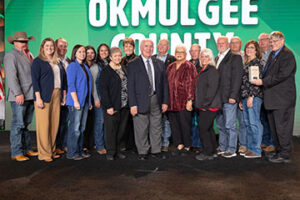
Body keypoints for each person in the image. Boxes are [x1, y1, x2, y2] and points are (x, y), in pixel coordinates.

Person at [252, 31, 296, 163]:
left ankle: (285, 154)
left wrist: (263, 82)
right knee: (275, 128)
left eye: (275, 41)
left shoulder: (287, 55)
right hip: (272, 99)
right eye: (271, 42)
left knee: (283, 128)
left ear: (282, 41)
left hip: (282, 99)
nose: (273, 44)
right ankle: (278, 151)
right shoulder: (272, 54)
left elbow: (282, 75)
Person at [128, 39, 169, 160]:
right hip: (140, 101)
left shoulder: (159, 63)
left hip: (157, 99)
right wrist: (133, 104)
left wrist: (165, 101)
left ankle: (156, 150)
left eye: (151, 46)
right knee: (141, 128)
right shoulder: (133, 64)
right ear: (141, 48)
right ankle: (143, 151)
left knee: (157, 126)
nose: (149, 48)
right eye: (146, 46)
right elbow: (130, 86)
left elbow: (164, 84)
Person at [4, 31, 38, 161]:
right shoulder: (10, 56)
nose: (25, 43)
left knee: (26, 123)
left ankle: (27, 149)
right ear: (15, 42)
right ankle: (16, 151)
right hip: (20, 95)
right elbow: (12, 77)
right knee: (18, 124)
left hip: (29, 94)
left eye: (26, 41)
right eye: (22, 41)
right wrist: (18, 93)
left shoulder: (28, 54)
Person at [31, 38, 67, 162]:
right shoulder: (38, 61)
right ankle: (44, 154)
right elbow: (35, 81)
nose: (50, 48)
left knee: (54, 124)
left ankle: (52, 151)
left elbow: (63, 80)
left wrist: (63, 95)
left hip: (57, 94)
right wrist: (38, 98)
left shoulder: (58, 62)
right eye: (47, 46)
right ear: (42, 47)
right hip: (44, 95)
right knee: (44, 125)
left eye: (51, 46)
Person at [98, 47, 129, 160]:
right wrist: (108, 106)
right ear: (110, 57)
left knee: (121, 129)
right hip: (112, 105)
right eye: (115, 56)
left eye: (119, 56)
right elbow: (103, 90)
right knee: (111, 130)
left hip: (124, 105)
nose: (117, 58)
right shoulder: (106, 71)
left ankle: (118, 150)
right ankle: (110, 152)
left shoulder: (124, 68)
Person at [215, 36, 243, 158]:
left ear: (228, 44)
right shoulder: (216, 58)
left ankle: (231, 149)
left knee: (230, 124)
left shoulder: (235, 57)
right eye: (219, 43)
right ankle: (222, 146)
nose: (220, 45)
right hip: (217, 99)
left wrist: (233, 95)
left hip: (229, 98)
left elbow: (237, 78)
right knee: (221, 124)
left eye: (223, 43)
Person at [167, 44, 197, 155]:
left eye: (181, 52)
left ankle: (187, 145)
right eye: (177, 52)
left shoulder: (189, 66)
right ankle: (179, 143)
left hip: (184, 101)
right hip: (171, 102)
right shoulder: (170, 67)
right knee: (174, 124)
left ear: (185, 54)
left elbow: (191, 84)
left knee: (185, 124)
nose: (179, 54)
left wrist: (190, 100)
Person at [66, 45, 92, 160]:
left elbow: (88, 86)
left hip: (85, 102)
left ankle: (80, 150)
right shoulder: (72, 66)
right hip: (75, 102)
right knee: (75, 129)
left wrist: (89, 102)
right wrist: (75, 101)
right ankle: (72, 152)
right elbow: (71, 85)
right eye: (80, 52)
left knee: (82, 128)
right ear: (75, 53)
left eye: (83, 52)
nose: (82, 53)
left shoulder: (85, 66)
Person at [194, 48, 221, 161]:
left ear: (210, 58)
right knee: (209, 128)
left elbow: (212, 90)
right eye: (202, 56)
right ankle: (213, 151)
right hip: (205, 105)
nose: (204, 59)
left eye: (206, 56)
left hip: (210, 105)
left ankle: (207, 153)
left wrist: (205, 104)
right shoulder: (202, 69)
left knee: (203, 128)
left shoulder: (212, 71)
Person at [239, 40, 263, 158]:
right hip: (245, 97)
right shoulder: (246, 63)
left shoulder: (255, 63)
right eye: (247, 48)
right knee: (248, 123)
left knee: (254, 123)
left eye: (252, 48)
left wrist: (251, 97)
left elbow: (255, 82)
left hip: (253, 97)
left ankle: (256, 150)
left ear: (256, 50)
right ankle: (250, 148)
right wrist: (241, 99)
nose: (249, 49)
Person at [152, 39, 176, 152]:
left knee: (166, 120)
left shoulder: (173, 59)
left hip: (167, 93)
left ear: (168, 47)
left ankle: (165, 143)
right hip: (153, 94)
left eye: (164, 45)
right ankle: (155, 142)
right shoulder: (151, 58)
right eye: (160, 44)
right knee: (154, 120)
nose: (161, 46)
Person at [229, 36, 247, 155]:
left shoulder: (246, 57)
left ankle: (243, 145)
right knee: (229, 122)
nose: (234, 45)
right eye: (232, 43)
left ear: (241, 44)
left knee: (243, 121)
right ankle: (231, 145)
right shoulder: (226, 57)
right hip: (229, 95)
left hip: (243, 95)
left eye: (237, 43)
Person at [87, 45, 106, 155]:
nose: (104, 52)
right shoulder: (95, 67)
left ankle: (100, 143)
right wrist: (96, 99)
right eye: (101, 51)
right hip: (98, 98)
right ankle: (99, 145)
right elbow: (93, 84)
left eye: (106, 50)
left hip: (105, 98)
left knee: (102, 122)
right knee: (100, 122)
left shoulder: (105, 63)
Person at [120, 37, 138, 152]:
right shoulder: (120, 60)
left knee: (136, 122)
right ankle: (128, 145)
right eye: (126, 46)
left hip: (135, 94)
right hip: (124, 96)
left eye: (130, 46)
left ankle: (137, 145)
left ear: (134, 47)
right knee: (125, 122)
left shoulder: (138, 59)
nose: (128, 48)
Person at [258, 33, 275, 153]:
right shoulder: (258, 55)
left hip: (271, 91)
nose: (262, 42)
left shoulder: (273, 54)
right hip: (260, 91)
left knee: (271, 119)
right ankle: (265, 140)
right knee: (263, 118)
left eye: (264, 39)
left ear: (269, 41)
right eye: (260, 40)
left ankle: (273, 143)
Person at [55, 38, 70, 154]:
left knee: (65, 122)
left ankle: (63, 144)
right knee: (56, 122)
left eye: (65, 46)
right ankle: (56, 145)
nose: (63, 48)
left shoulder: (68, 60)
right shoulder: (53, 60)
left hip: (67, 96)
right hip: (57, 96)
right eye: (60, 46)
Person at [83, 46, 97, 152]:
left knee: (93, 121)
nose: (90, 55)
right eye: (88, 52)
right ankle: (84, 144)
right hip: (84, 97)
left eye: (92, 53)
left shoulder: (96, 66)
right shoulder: (81, 65)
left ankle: (91, 143)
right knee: (84, 122)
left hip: (94, 97)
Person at [189, 44, 202, 153]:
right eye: (192, 51)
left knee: (199, 123)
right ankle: (191, 143)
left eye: (196, 51)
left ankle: (198, 144)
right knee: (190, 122)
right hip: (189, 99)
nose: (194, 53)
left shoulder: (203, 64)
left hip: (200, 99)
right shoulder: (187, 64)